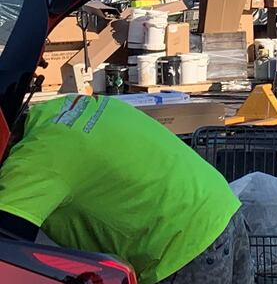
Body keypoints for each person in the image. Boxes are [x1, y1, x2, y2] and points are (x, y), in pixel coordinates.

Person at [0, 95, 252, 284]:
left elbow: (7, 248)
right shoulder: (61, 109)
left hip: (183, 245)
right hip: (220, 206)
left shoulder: (35, 161)